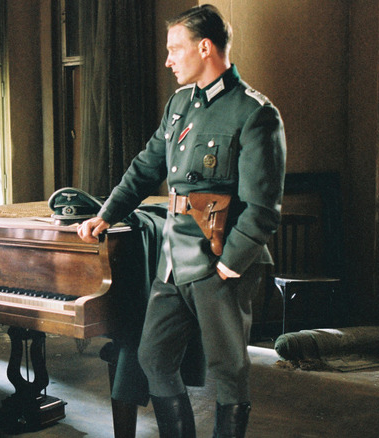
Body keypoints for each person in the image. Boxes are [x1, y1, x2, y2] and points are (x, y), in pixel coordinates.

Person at [78, 5, 286, 438]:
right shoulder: (178, 105)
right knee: (153, 358)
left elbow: (263, 206)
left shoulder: (254, 113)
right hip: (173, 257)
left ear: (205, 47)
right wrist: (106, 214)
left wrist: (231, 262)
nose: (168, 60)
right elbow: (144, 166)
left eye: (175, 49)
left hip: (220, 258)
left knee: (229, 370)